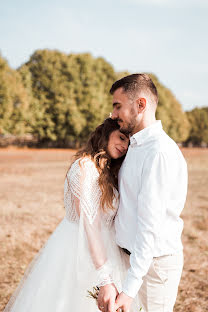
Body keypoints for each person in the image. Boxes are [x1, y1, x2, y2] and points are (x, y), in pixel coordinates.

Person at [3, 118, 140, 312]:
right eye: (121, 137)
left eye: (128, 142)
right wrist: (104, 278)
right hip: (79, 249)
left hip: (109, 251)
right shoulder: (84, 168)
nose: (124, 146)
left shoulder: (109, 171)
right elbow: (90, 227)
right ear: (106, 134)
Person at [97, 74, 188, 312]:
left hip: (152, 269)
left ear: (141, 104)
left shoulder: (158, 152)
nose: (113, 114)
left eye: (118, 106)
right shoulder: (135, 146)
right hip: (130, 262)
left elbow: (150, 226)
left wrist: (129, 289)